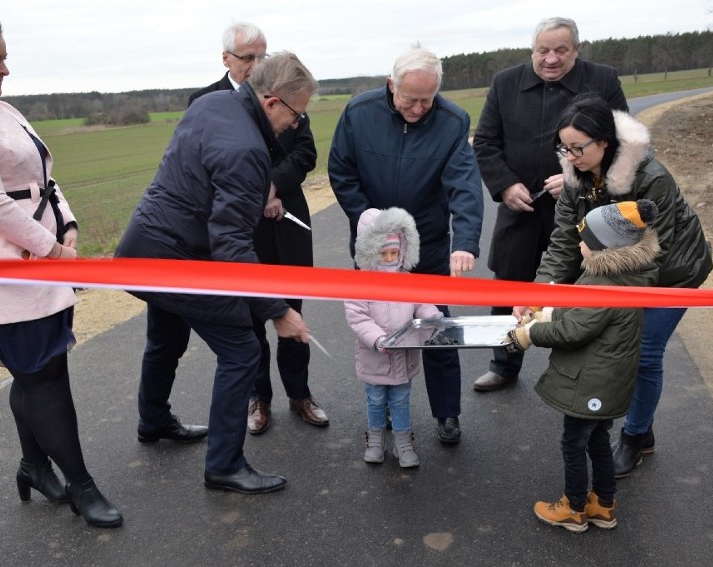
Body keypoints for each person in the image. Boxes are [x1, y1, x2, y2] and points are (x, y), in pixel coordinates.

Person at [0, 6, 121, 528]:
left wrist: (69, 226)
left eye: (5, 57)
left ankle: (34, 465)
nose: (5, 68)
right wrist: (55, 251)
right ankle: (82, 486)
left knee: (42, 372)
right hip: (2, 272)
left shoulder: (4, 110)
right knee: (44, 378)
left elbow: (43, 182)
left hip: (39, 263)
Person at [115, 52, 315, 494]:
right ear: (271, 103)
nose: (296, 125)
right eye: (297, 114)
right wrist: (278, 310)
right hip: (176, 258)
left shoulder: (209, 104)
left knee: (166, 334)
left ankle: (151, 420)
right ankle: (224, 464)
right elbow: (232, 246)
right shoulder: (247, 150)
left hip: (143, 247)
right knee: (242, 349)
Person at [515, 94, 712, 478]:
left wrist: (600, 299)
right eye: (564, 148)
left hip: (673, 274)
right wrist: (540, 295)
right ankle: (644, 421)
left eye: (577, 148)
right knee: (618, 349)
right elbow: (563, 241)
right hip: (616, 271)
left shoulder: (651, 177)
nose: (570, 157)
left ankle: (636, 438)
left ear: (604, 141)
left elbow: (656, 251)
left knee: (644, 352)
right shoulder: (576, 177)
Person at [329, 45, 484, 445]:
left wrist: (464, 241)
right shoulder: (358, 113)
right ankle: (381, 419)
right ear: (390, 85)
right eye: (409, 99)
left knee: (436, 329)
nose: (417, 109)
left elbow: (465, 185)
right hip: (373, 248)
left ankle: (447, 413)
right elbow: (341, 172)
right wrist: (370, 223)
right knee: (376, 331)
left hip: (427, 247)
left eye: (426, 100)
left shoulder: (452, 122)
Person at [471, 17, 629, 392]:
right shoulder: (505, 82)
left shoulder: (603, 80)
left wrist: (580, 175)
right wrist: (505, 185)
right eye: (543, 50)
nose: (551, 59)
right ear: (533, 50)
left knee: (582, 296)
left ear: (576, 50)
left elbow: (623, 142)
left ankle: (582, 377)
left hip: (583, 212)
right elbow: (486, 143)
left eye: (561, 50)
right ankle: (504, 365)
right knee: (511, 290)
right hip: (521, 210)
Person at [188, 21, 328, 435]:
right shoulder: (206, 101)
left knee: (292, 316)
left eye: (262, 56)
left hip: (287, 224)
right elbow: (203, 165)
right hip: (240, 232)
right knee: (249, 321)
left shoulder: (289, 94)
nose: (256, 65)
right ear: (226, 58)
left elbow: (306, 153)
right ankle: (258, 399)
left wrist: (272, 184)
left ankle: (300, 394)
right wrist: (251, 192)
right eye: (247, 57)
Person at [506, 199, 662, 532]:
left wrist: (530, 333)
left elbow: (574, 330)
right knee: (598, 440)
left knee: (573, 442)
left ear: (603, 247)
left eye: (585, 240)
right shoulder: (623, 277)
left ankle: (574, 507)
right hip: (608, 382)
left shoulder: (602, 284)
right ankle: (603, 504)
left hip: (591, 383)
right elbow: (581, 315)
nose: (579, 244)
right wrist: (549, 313)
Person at [345, 207, 443, 468]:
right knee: (375, 398)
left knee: (400, 399)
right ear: (369, 252)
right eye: (383, 253)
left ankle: (403, 441)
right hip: (375, 355)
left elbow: (422, 304)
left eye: (394, 253)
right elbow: (358, 318)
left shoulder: (408, 279)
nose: (389, 259)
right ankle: (375, 438)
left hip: (404, 355)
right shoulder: (359, 284)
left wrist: (432, 315)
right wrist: (378, 339)